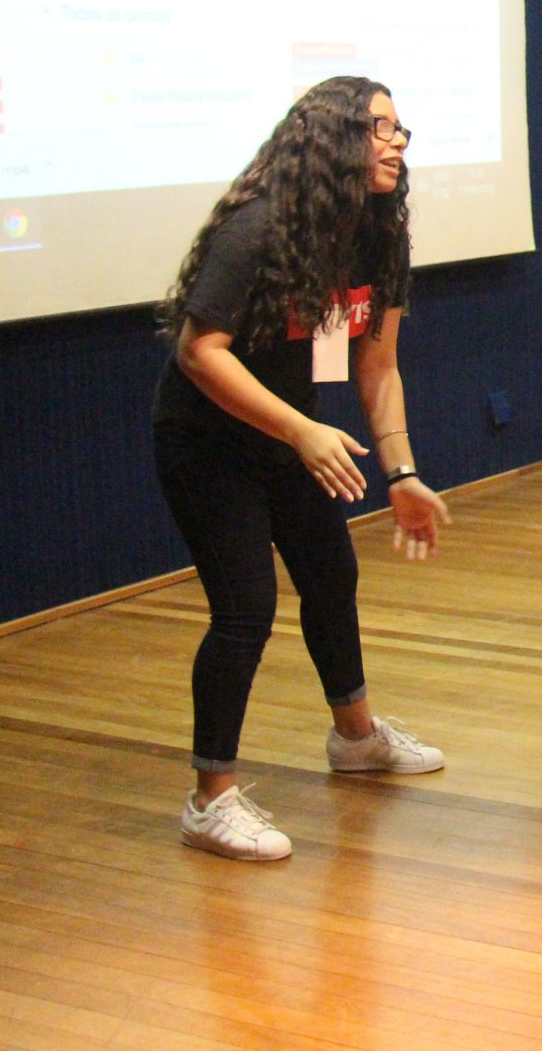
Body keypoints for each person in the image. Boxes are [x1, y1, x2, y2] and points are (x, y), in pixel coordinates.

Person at [153, 76, 452, 862]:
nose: (397, 141)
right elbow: (199, 352)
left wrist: (401, 473)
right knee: (245, 609)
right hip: (207, 442)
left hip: (292, 437)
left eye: (400, 129)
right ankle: (209, 798)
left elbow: (377, 365)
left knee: (330, 574)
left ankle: (355, 737)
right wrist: (299, 428)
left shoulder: (377, 235)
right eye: (379, 127)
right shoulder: (259, 227)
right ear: (330, 138)